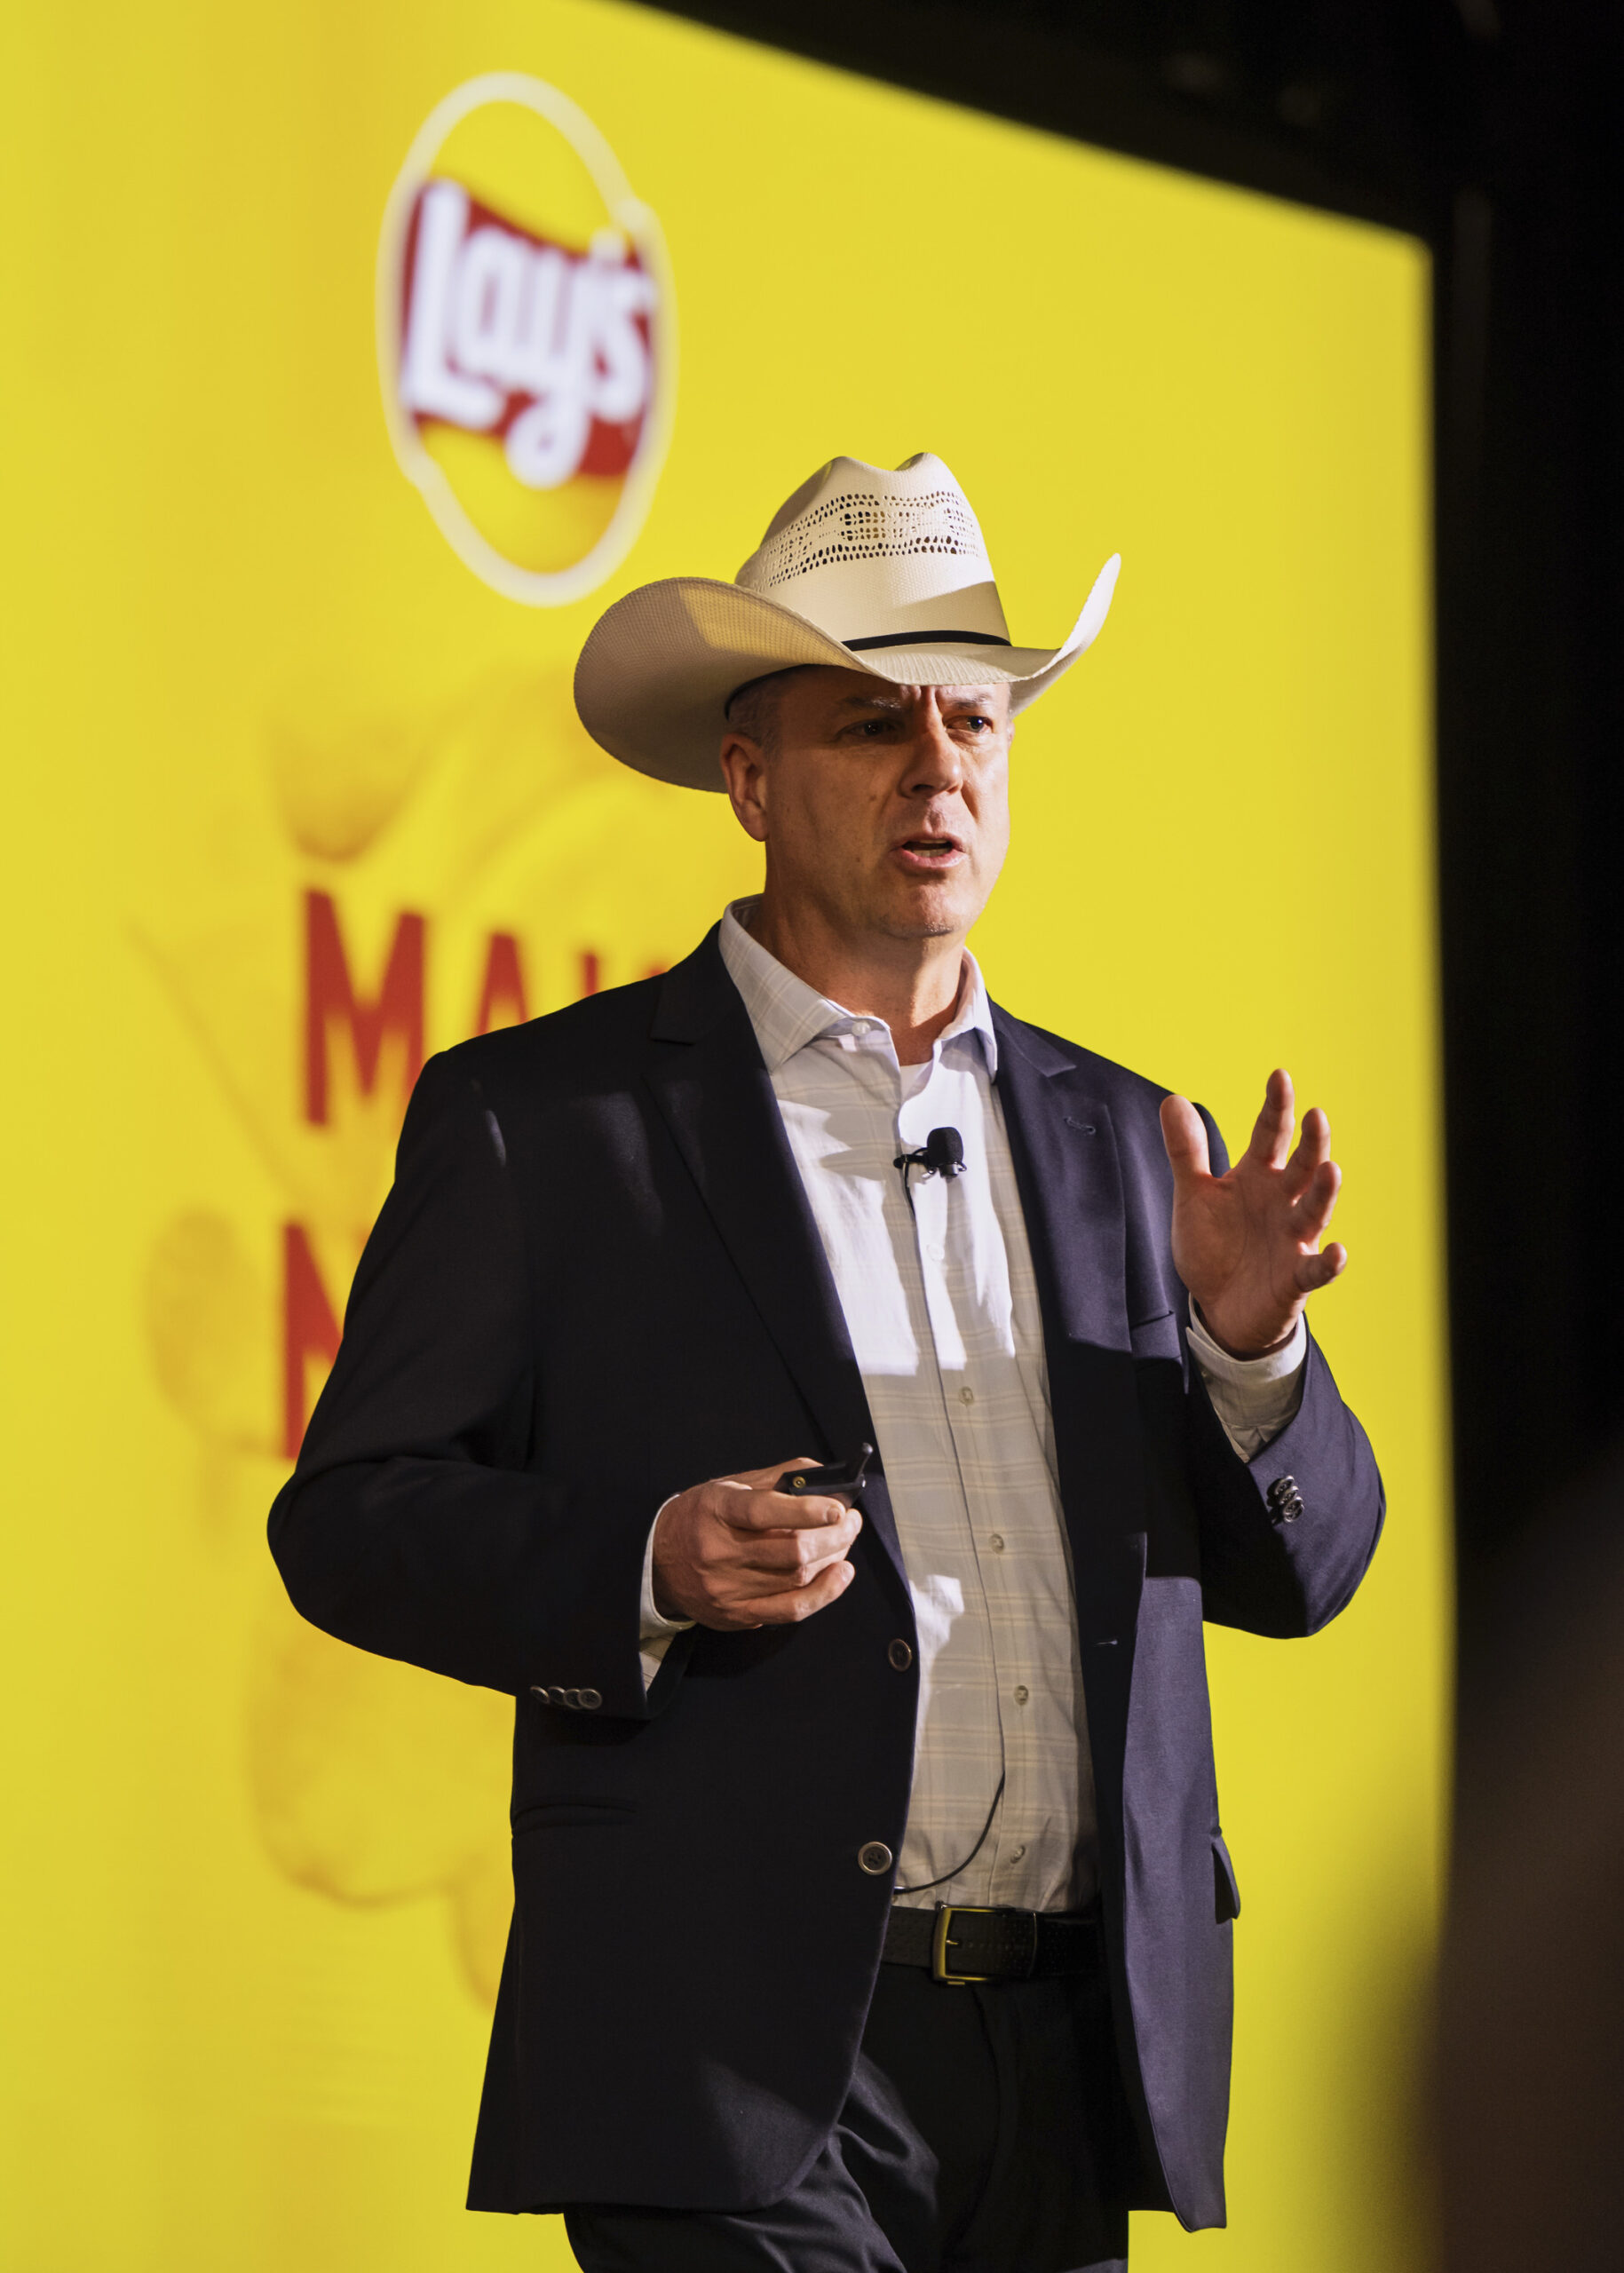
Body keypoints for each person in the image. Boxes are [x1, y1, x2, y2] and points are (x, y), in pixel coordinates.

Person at [269, 453, 1384, 2273]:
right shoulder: (548, 1119)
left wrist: (1250, 1351)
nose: (938, 766)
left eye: (974, 720)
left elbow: (1306, 1574)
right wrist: (641, 1562)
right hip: (726, 2048)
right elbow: (350, 1519)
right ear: (748, 778)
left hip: (1074, 2054)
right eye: (874, 722)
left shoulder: (1130, 1141)